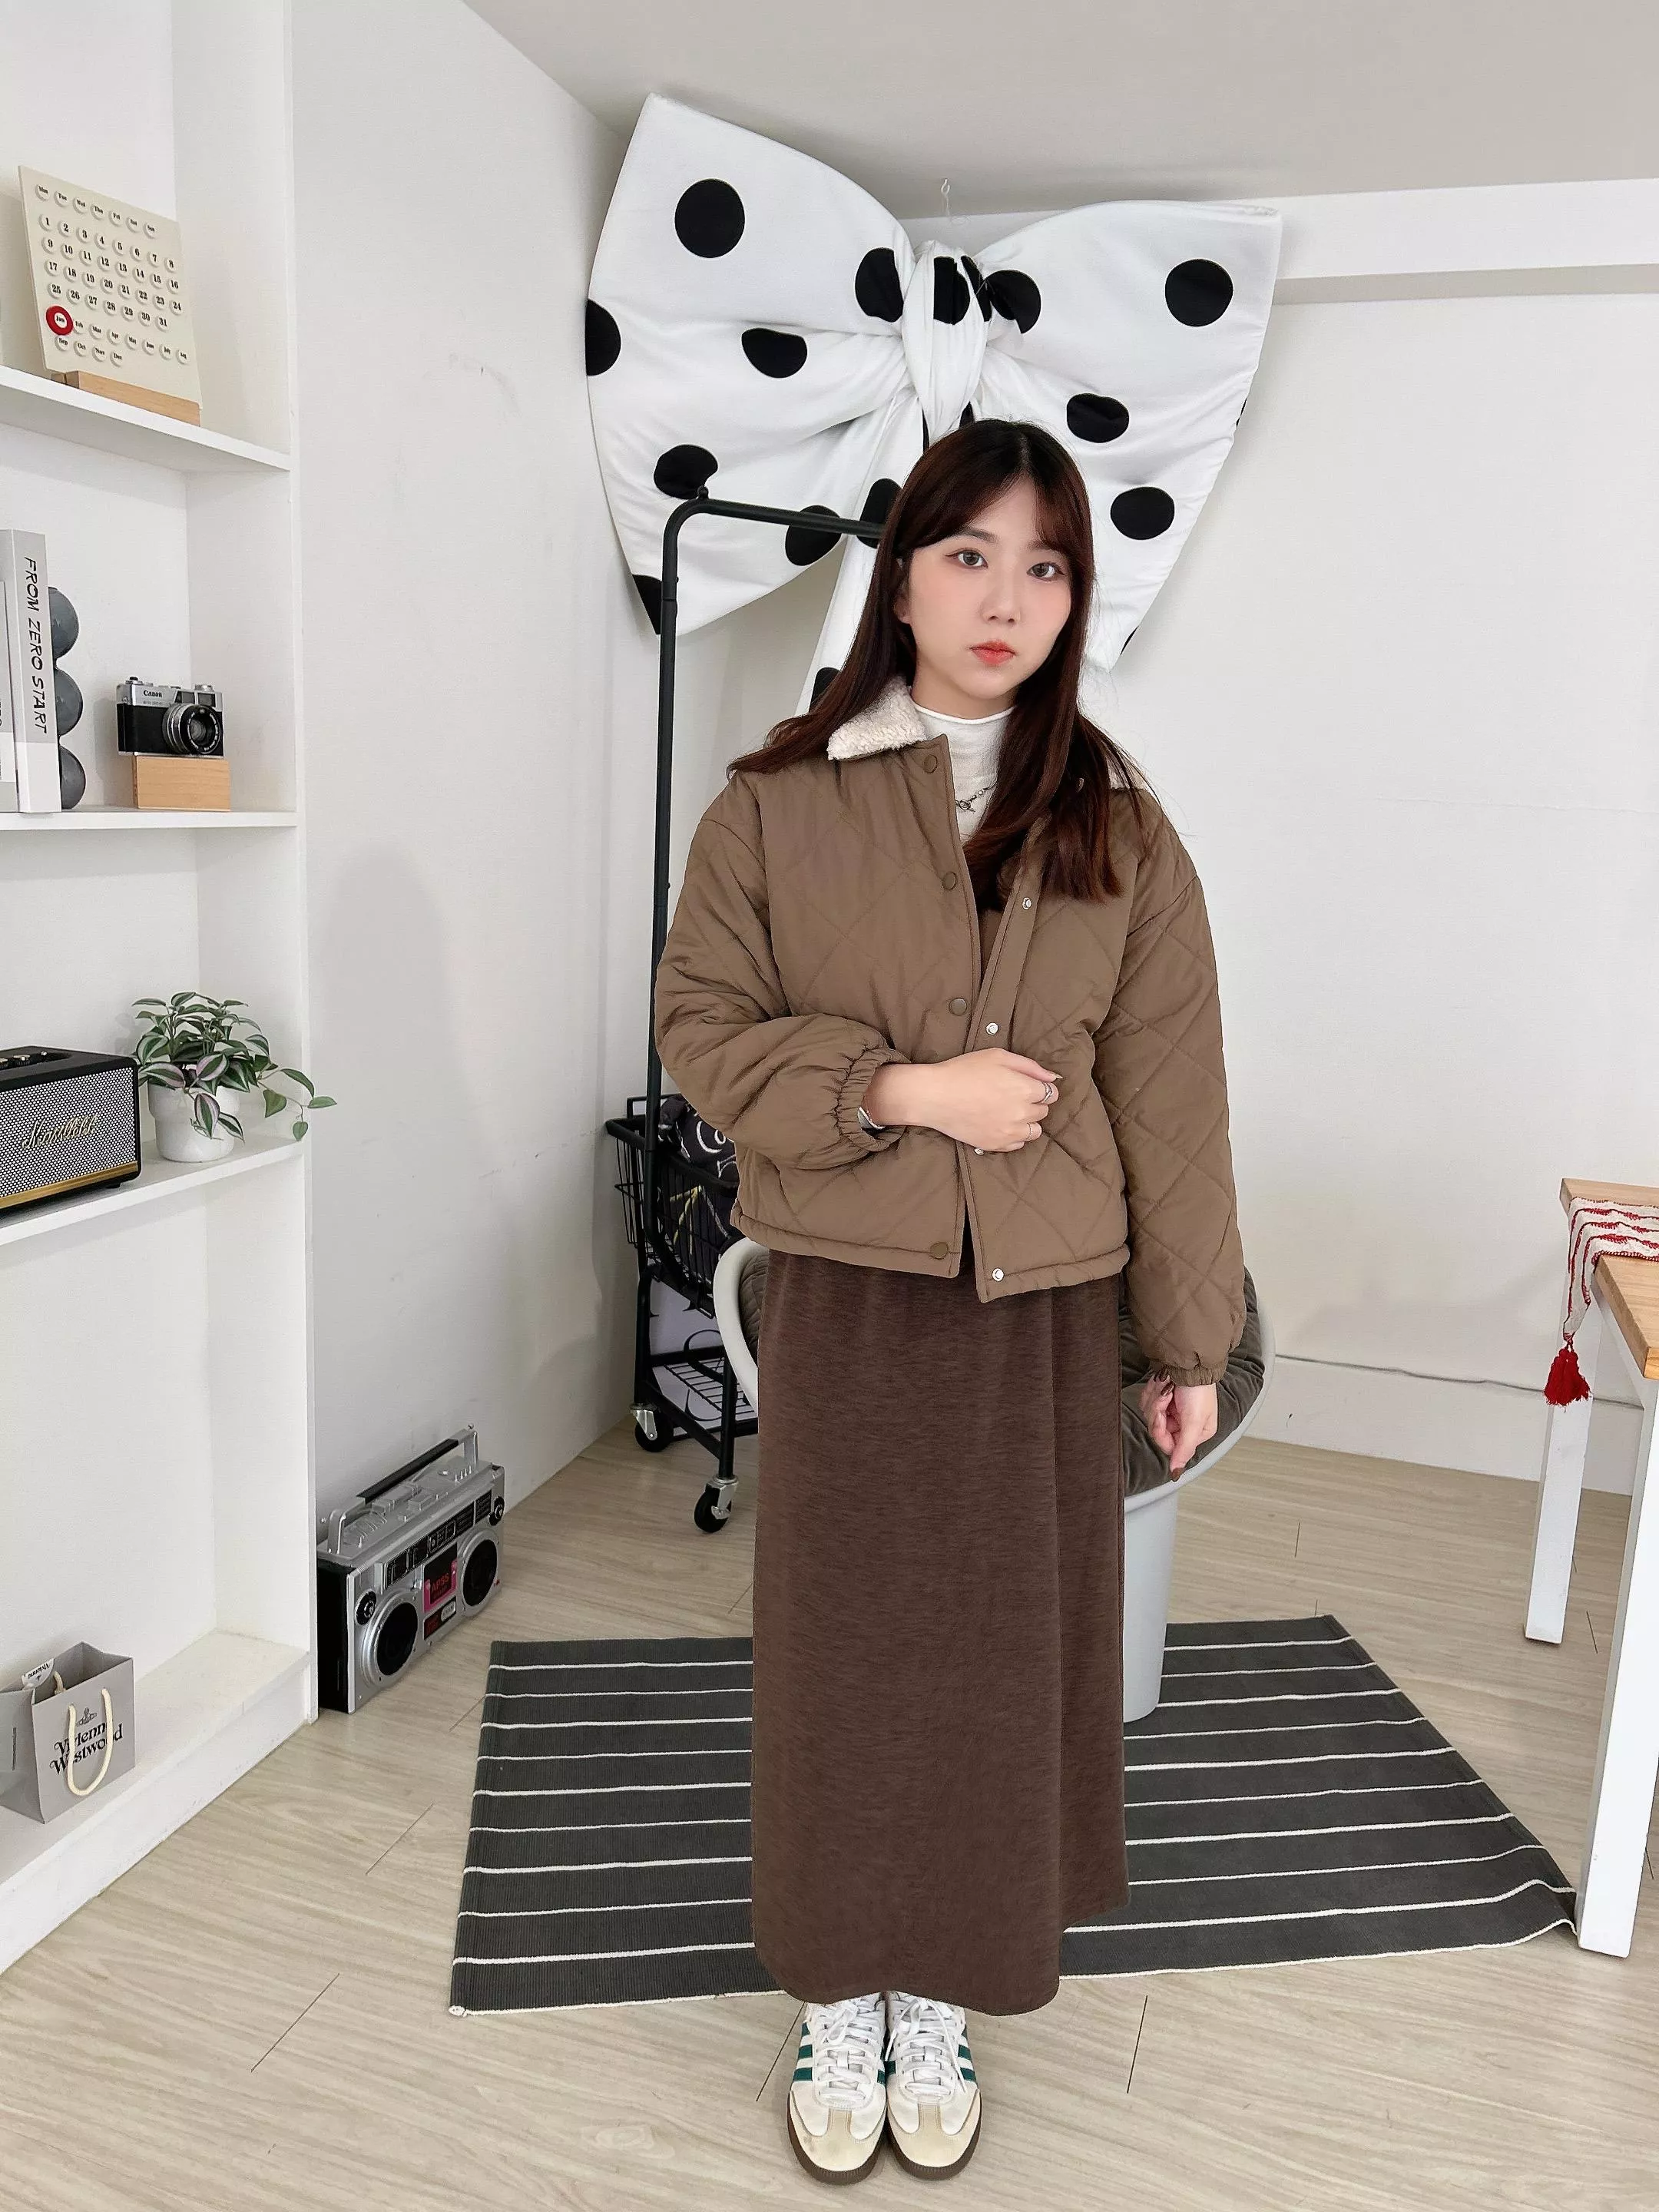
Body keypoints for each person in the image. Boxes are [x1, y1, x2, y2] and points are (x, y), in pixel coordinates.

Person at [653, 417, 1246, 2184]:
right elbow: (700, 1033)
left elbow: (1175, 1104)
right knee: (842, 1662)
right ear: (900, 577)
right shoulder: (775, 804)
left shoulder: (1122, 828)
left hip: (1042, 1310)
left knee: (1001, 1667)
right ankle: (838, 1988)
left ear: (1076, 597)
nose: (1007, 598)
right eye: (970, 555)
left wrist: (1188, 1343)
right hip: (852, 1295)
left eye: (1045, 565)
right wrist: (906, 1093)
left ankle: (946, 1992)